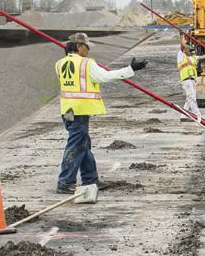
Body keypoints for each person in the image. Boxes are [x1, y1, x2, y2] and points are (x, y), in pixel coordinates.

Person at [54, 32, 147, 194]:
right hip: (80, 110)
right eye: (86, 47)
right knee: (76, 145)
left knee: (83, 144)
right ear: (78, 46)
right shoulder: (86, 64)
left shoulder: (59, 63)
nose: (88, 50)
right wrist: (130, 69)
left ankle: (90, 178)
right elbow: (105, 76)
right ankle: (65, 182)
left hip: (67, 110)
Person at [177, 35, 205, 122]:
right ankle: (197, 115)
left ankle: (183, 116)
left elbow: (203, 56)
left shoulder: (192, 58)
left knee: (189, 98)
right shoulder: (181, 56)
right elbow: (182, 46)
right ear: (185, 50)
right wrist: (182, 36)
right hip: (186, 80)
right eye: (190, 50)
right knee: (192, 97)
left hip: (192, 81)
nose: (192, 52)